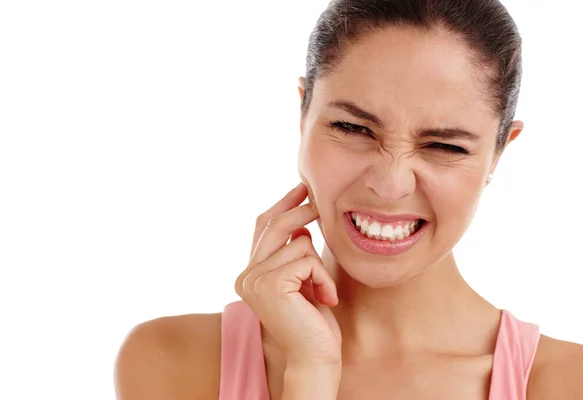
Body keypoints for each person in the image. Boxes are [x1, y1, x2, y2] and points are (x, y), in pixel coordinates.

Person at [114, 0, 583, 398]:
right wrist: (310, 371)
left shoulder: (566, 382)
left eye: (445, 146)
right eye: (353, 128)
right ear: (304, 114)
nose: (390, 183)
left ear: (499, 154)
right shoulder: (170, 363)